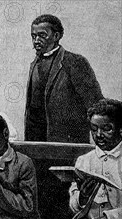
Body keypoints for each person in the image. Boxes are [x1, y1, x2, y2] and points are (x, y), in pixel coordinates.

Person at [24, 14, 102, 143]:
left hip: (68, 143)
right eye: (33, 36)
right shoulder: (35, 64)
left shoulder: (75, 62)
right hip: (37, 143)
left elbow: (95, 104)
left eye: (42, 35)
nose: (36, 40)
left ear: (56, 36)